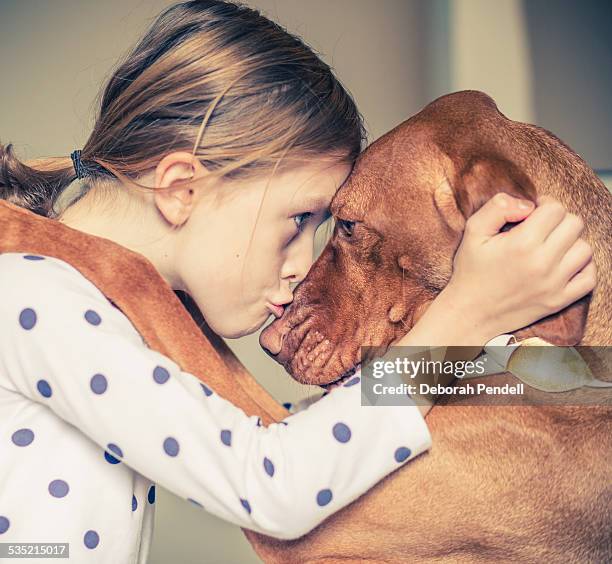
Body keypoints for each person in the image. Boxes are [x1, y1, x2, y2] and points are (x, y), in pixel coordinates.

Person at [0, 1, 596, 562]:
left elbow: (300, 445)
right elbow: (273, 484)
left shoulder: (67, 299)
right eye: (300, 220)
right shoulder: (39, 296)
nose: (299, 266)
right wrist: (466, 316)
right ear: (182, 189)